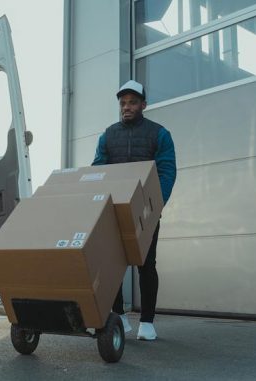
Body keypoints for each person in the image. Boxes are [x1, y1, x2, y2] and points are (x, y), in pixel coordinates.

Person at [92, 80, 176, 341]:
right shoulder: (108, 135)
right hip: (113, 211)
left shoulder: (159, 134)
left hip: (146, 212)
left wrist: (155, 204)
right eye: (123, 103)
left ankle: (147, 322)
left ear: (143, 105)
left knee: (146, 264)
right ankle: (119, 316)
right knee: (112, 265)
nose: (126, 107)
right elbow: (98, 169)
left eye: (132, 102)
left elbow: (167, 171)